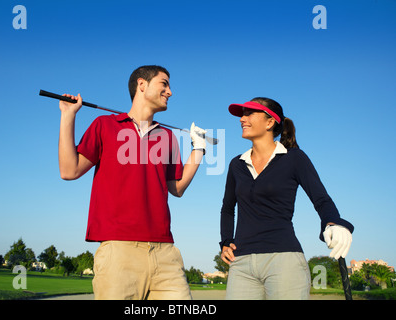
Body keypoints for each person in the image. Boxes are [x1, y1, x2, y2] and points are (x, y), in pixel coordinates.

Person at [58, 65, 207, 300]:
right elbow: (69, 170)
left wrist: (198, 149)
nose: (170, 92)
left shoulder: (167, 137)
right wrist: (68, 116)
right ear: (142, 84)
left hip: (165, 252)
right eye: (164, 84)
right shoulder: (104, 125)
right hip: (118, 253)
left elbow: (177, 188)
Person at [220, 97, 354, 300]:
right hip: (242, 263)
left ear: (269, 122)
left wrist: (333, 223)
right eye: (242, 114)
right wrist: (226, 242)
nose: (242, 119)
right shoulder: (236, 164)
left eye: (249, 113)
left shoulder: (294, 158)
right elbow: (228, 208)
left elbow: (322, 200)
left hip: (284, 260)